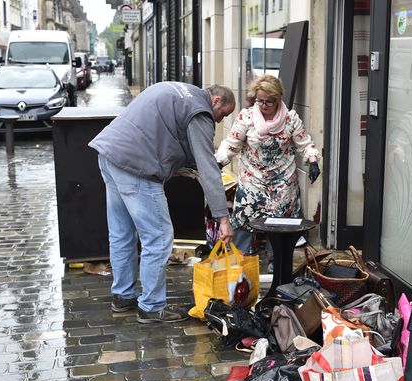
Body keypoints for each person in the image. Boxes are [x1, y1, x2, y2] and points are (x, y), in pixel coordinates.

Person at [89, 82, 236, 324]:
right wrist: (223, 218)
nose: (220, 121)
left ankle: (123, 296)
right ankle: (152, 307)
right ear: (216, 101)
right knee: (158, 237)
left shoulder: (178, 90)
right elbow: (208, 167)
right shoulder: (199, 110)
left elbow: (163, 132)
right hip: (135, 167)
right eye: (223, 114)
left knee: (122, 233)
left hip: (109, 155)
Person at [215, 75, 321, 266]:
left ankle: (277, 263)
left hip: (283, 182)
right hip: (252, 179)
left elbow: (304, 144)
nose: (263, 105)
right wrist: (219, 162)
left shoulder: (290, 119)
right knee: (243, 219)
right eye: (259, 100)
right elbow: (231, 144)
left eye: (268, 102)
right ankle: (240, 263)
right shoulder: (246, 117)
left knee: (279, 224)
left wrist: (313, 160)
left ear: (278, 99)